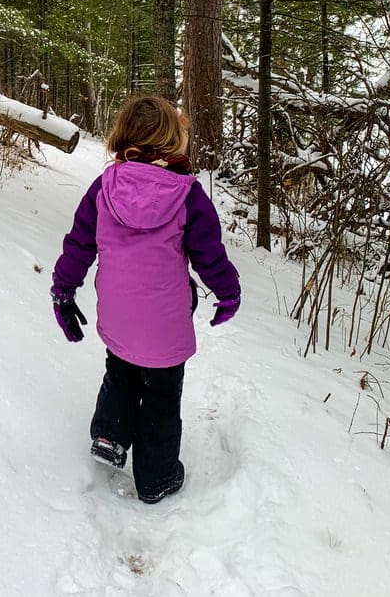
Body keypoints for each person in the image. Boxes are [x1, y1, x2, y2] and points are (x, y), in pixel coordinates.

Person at [51, 95, 240, 504]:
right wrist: (228, 293)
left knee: (120, 372)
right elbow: (210, 255)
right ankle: (156, 477)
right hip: (166, 325)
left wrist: (63, 293)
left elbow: (78, 245)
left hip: (118, 315)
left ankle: (109, 435)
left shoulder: (104, 188)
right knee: (160, 394)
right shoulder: (188, 196)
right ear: (174, 140)